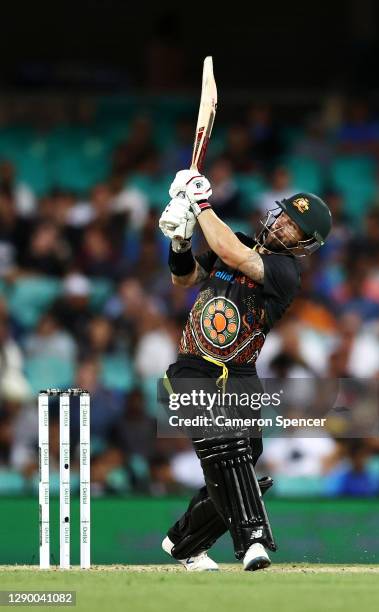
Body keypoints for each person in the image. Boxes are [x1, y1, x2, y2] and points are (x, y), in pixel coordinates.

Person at [158, 169, 332, 571]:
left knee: (243, 460)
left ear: (304, 243)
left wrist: (199, 204)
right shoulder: (232, 240)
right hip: (192, 367)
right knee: (225, 444)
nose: (284, 225)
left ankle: (184, 542)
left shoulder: (286, 272)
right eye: (285, 216)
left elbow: (236, 256)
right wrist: (180, 242)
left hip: (240, 374)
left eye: (295, 227)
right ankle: (253, 541)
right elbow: (183, 278)